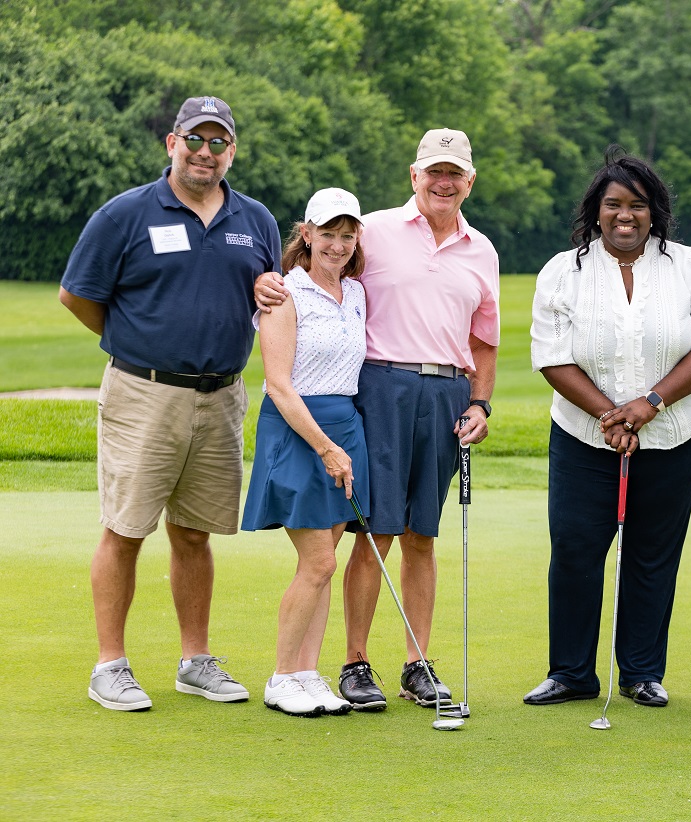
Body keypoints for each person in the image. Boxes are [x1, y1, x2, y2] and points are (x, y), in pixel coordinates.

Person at [255, 128, 499, 711]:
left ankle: (417, 663)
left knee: (423, 535)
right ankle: (355, 662)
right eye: (433, 172)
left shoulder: (482, 250)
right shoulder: (377, 231)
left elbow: (484, 338)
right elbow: (315, 278)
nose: (443, 182)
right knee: (376, 531)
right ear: (414, 176)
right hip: (382, 387)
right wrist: (268, 280)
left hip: (447, 394)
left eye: (454, 173)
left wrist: (480, 402)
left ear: (469, 181)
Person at [59, 96, 281, 711]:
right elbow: (78, 296)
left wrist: (267, 290)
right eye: (195, 140)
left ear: (231, 150)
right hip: (143, 392)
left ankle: (195, 661)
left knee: (193, 533)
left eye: (218, 143)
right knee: (125, 529)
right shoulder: (125, 214)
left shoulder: (254, 218)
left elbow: (266, 287)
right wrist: (134, 341)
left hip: (221, 397)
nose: (205, 153)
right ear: (172, 143)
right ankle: (111, 664)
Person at [523, 149, 691, 709]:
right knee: (574, 547)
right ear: (596, 211)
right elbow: (552, 355)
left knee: (652, 551)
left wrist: (650, 403)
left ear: (653, 211)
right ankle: (570, 672)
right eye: (613, 204)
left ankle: (641, 672)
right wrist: (609, 415)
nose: (625, 215)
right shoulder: (563, 271)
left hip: (676, 431)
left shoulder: (689, 265)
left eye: (637, 205)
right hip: (584, 434)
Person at [242, 188, 368, 717]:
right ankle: (280, 676)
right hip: (301, 433)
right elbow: (278, 385)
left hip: (346, 425)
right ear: (307, 234)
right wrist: (326, 449)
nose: (337, 245)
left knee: (327, 563)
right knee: (316, 561)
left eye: (347, 235)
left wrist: (342, 445)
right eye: (328, 234)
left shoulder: (356, 293)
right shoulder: (283, 293)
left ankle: (308, 674)